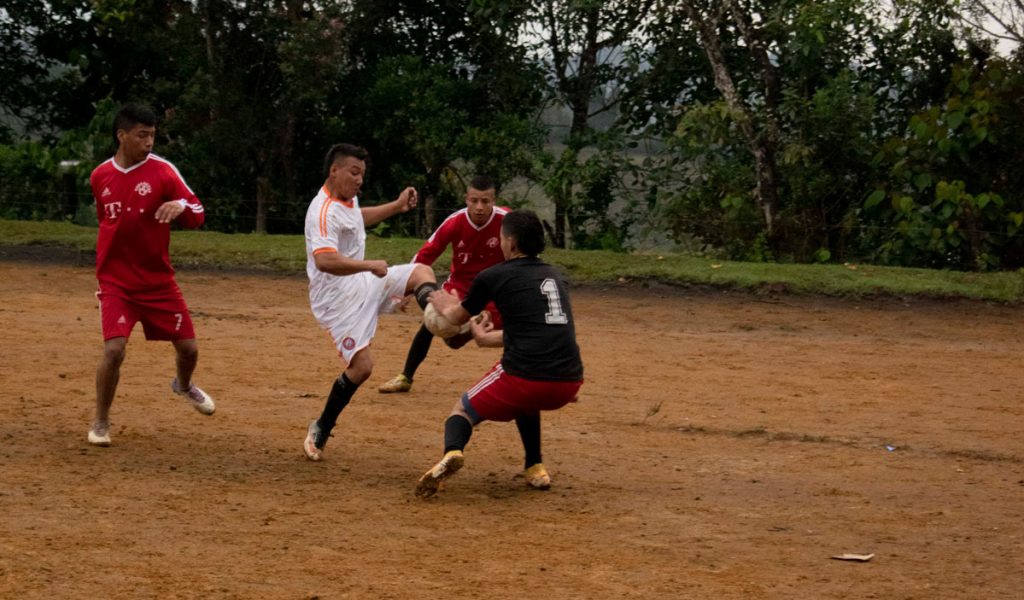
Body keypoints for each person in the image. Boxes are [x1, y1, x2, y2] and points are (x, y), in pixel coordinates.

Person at [415, 209, 584, 498]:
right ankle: (535, 465)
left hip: (525, 378)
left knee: (462, 410)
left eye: (502, 238)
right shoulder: (557, 277)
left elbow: (456, 318)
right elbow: (536, 330)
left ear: (512, 244)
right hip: (568, 381)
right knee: (527, 400)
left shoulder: (493, 275)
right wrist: (483, 337)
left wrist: (442, 301)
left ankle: (452, 452)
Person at [87, 103, 215, 447]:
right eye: (142, 135)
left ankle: (183, 385)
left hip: (158, 281)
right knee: (114, 351)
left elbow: (198, 212)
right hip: (115, 282)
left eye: (153, 135)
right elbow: (105, 219)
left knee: (189, 349)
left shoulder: (164, 172)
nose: (149, 142)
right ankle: (100, 421)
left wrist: (181, 207)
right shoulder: (100, 176)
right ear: (122, 135)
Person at [302, 143, 439, 461]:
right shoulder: (320, 212)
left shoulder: (344, 200)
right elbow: (324, 261)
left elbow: (355, 218)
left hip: (363, 281)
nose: (359, 179)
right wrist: (369, 265)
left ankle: (437, 316)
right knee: (362, 368)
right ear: (334, 170)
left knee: (421, 272)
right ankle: (321, 427)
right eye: (354, 172)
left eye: (362, 173)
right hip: (337, 300)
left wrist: (396, 206)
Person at [377, 175, 508, 394]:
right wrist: (405, 289)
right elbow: (426, 254)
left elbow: (527, 251)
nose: (479, 207)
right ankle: (405, 377)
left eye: (485, 201)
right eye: (474, 200)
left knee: (516, 327)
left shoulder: (507, 220)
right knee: (432, 321)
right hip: (460, 288)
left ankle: (523, 377)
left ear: (494, 200)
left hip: (495, 291)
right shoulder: (455, 222)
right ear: (466, 199)